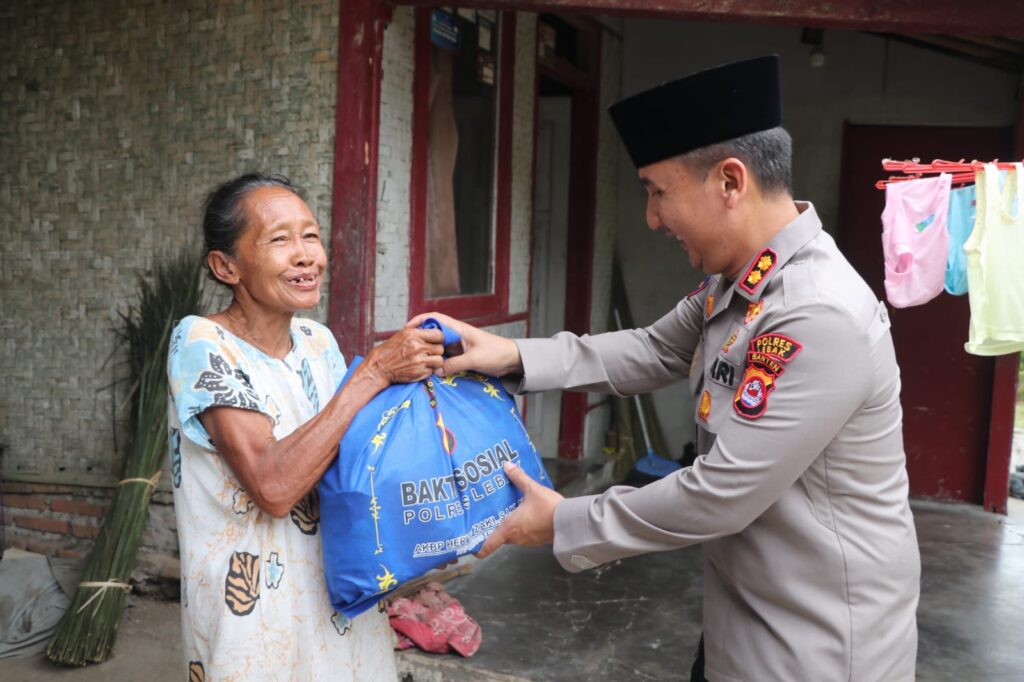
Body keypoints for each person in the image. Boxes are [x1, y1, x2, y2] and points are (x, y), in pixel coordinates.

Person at [409, 56, 920, 681]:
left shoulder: (817, 313)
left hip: (815, 646)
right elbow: (654, 348)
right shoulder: (740, 282)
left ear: (730, 182)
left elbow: (720, 495)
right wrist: (509, 354)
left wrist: (565, 520)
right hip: (743, 621)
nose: (652, 218)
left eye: (658, 192)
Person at [167, 173, 444, 680]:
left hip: (339, 593)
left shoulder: (317, 341)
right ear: (226, 266)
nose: (305, 255)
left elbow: (354, 458)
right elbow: (273, 487)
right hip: (251, 615)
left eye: (311, 236)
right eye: (279, 240)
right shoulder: (203, 343)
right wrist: (376, 373)